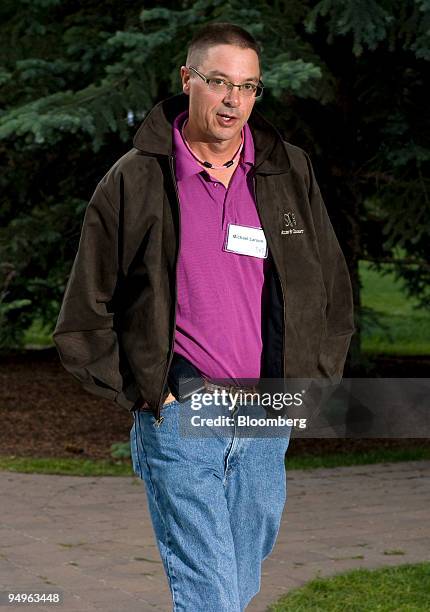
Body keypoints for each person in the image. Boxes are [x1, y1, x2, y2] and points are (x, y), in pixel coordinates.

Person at [53, 22, 355, 611]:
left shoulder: (287, 170)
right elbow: (84, 314)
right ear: (188, 80)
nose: (233, 101)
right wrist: (148, 391)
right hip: (182, 412)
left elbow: (331, 291)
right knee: (210, 591)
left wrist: (311, 385)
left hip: (264, 413)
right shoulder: (136, 179)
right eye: (219, 83)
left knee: (238, 583)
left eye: (248, 87)